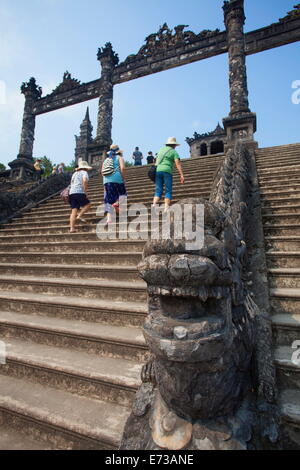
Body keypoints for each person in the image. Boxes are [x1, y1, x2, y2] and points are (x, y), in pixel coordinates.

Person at [153, 137, 185, 211]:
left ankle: (154, 204)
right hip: (167, 171)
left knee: (158, 190)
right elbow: (178, 163)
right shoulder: (174, 152)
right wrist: (181, 174)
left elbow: (155, 160)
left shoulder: (160, 150)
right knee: (168, 190)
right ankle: (166, 208)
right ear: (174, 145)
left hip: (158, 170)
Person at [102, 144, 127, 223]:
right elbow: (122, 168)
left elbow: (102, 172)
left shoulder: (106, 160)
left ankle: (109, 218)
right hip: (117, 178)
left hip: (106, 180)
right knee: (123, 195)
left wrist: (104, 183)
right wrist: (123, 178)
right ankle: (116, 203)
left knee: (109, 199)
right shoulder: (119, 157)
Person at [69, 160, 92, 233]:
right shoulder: (84, 172)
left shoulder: (74, 173)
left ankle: (72, 228)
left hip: (72, 193)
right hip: (79, 191)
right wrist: (85, 191)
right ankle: (79, 216)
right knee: (88, 204)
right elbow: (84, 181)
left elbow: (72, 183)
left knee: (73, 211)